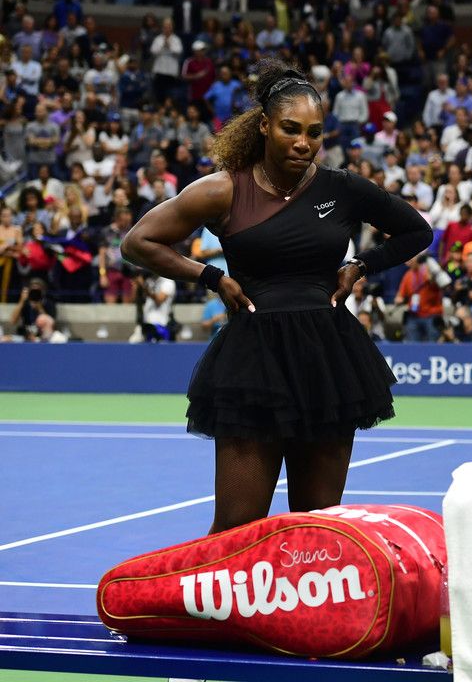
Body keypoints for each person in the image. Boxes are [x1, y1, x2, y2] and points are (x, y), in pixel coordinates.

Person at [120, 60, 432, 534]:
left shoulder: (342, 188)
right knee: (236, 527)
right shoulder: (223, 190)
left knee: (316, 525)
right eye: (291, 129)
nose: (303, 142)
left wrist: (360, 266)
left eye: (314, 132)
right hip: (253, 364)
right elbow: (138, 243)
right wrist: (211, 276)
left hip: (328, 363)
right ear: (265, 125)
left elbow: (417, 231)